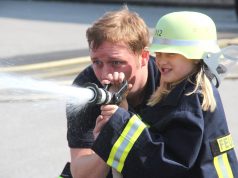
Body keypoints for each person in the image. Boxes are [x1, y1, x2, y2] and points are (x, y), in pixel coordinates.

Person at [92, 11, 238, 178]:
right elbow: (158, 137)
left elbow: (169, 163)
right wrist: (124, 111)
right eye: (159, 53)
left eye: (171, 53)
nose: (161, 60)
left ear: (196, 57)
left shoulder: (191, 100)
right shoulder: (181, 91)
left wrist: (119, 125)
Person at [66, 7, 160, 178]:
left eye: (116, 62)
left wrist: (123, 127)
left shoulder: (168, 82)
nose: (105, 76)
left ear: (143, 57)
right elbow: (80, 173)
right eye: (97, 62)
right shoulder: (86, 89)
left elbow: (178, 162)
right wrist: (110, 137)